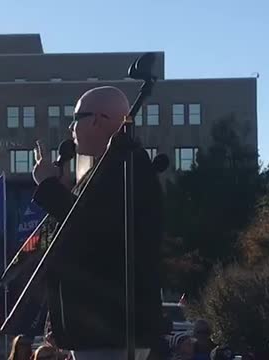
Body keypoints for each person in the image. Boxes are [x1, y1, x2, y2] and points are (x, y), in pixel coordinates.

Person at [30, 86, 164, 359]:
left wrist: (48, 187)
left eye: (76, 117)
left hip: (111, 327)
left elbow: (92, 229)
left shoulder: (125, 168)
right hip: (100, 327)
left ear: (97, 119)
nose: (71, 127)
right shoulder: (108, 168)